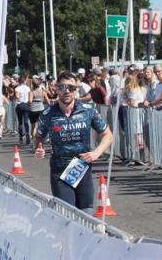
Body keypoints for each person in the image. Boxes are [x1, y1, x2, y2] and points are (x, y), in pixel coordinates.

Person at [33, 71, 114, 211]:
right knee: (68, 215)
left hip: (82, 166)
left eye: (71, 88)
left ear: (76, 90)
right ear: (56, 89)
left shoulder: (88, 111)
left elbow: (108, 135)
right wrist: (38, 147)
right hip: (60, 169)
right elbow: (38, 136)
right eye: (63, 87)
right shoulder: (48, 114)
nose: (67, 91)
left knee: (87, 212)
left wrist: (96, 153)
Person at [14, 75, 31, 144]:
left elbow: (17, 96)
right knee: (26, 121)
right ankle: (27, 133)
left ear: (19, 81)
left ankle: (21, 137)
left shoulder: (17, 88)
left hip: (20, 104)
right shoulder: (28, 88)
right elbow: (30, 98)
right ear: (24, 81)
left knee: (20, 121)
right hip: (26, 104)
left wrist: (19, 97)